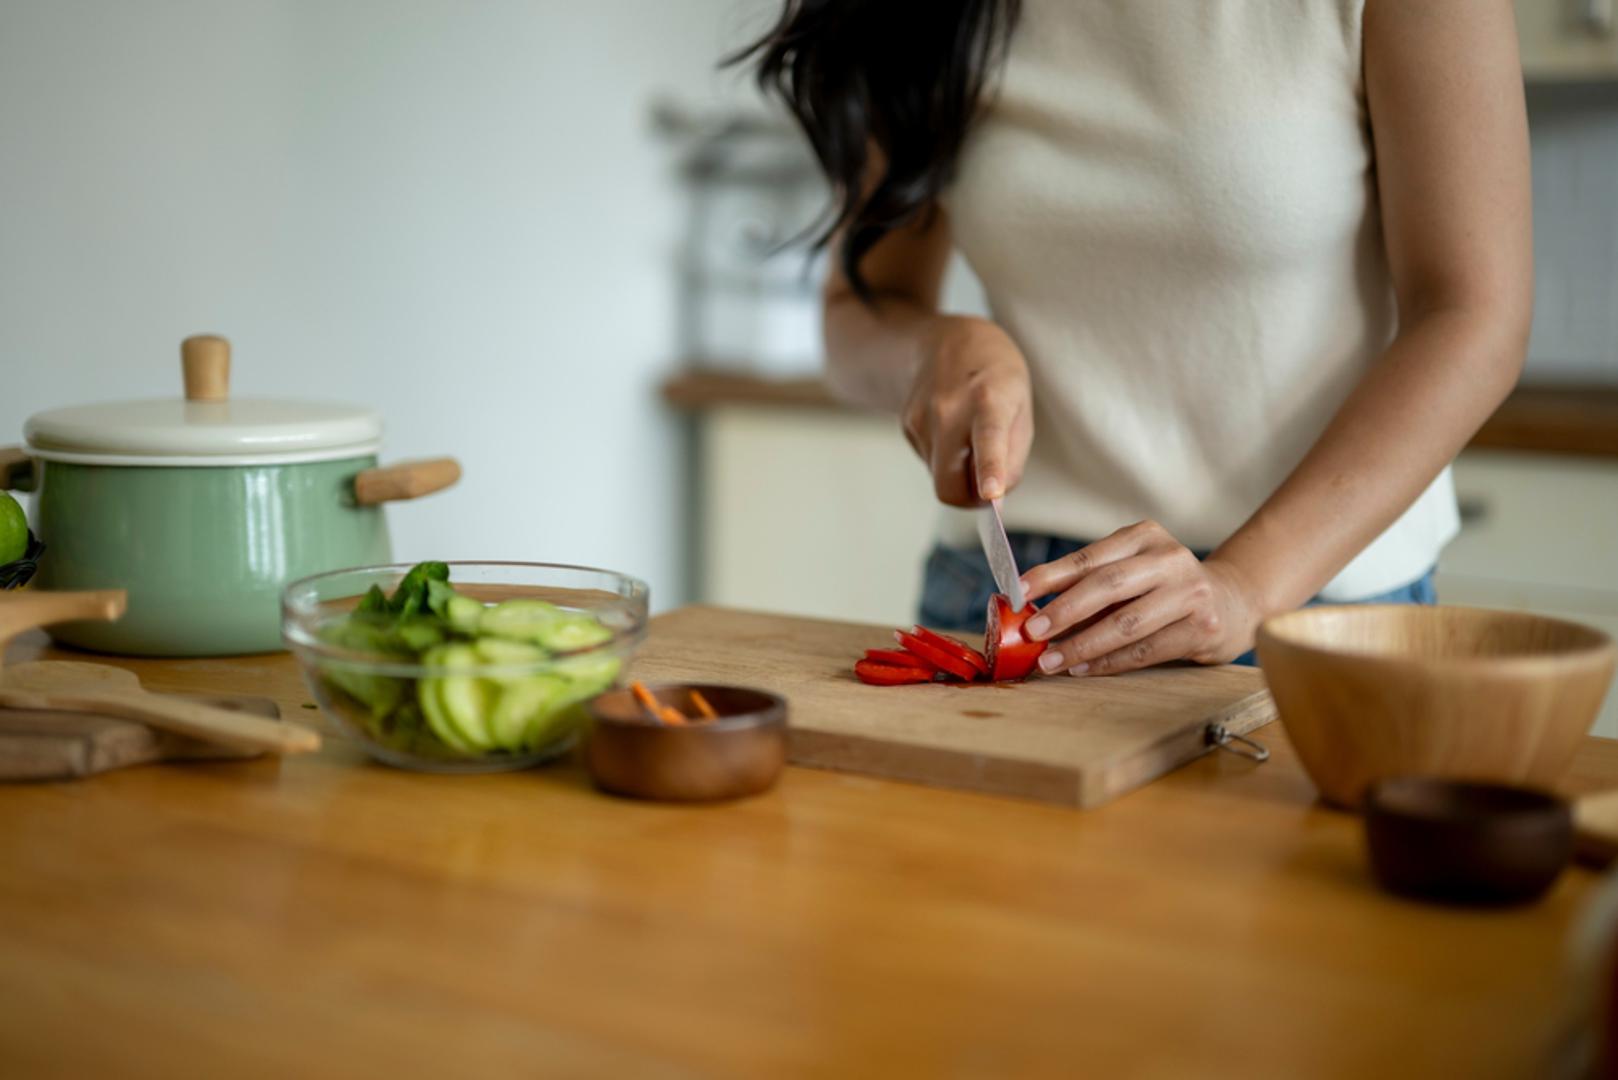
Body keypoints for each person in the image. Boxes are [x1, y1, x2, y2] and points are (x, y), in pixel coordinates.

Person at [735, 0, 1532, 675]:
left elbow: (1474, 314)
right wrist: (933, 349)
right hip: (1009, 599)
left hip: (1318, 608)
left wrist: (1244, 587)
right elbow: (858, 311)